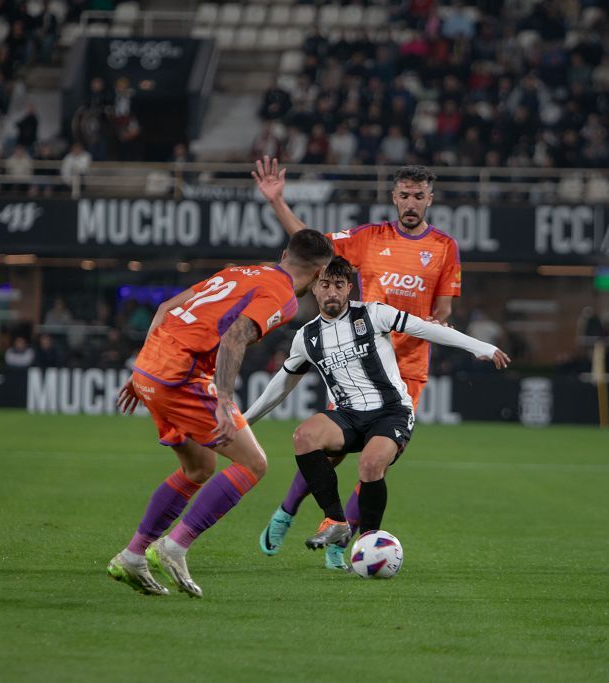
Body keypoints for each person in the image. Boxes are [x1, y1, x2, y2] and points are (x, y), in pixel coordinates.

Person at [253, 157, 462, 568]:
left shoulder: (444, 248)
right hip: (357, 363)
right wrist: (277, 202)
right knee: (329, 453)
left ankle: (338, 543)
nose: (411, 203)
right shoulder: (368, 238)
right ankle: (287, 511)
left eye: (419, 196)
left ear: (430, 199)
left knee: (375, 461)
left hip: (408, 370)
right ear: (393, 197)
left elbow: (443, 309)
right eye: (404, 195)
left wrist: (441, 320)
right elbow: (309, 245)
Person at [108, 229, 333, 598]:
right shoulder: (283, 296)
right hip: (182, 375)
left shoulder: (239, 272)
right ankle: (174, 546)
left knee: (198, 468)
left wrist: (142, 371)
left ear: (284, 252)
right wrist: (224, 399)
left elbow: (166, 309)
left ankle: (133, 556)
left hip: (149, 368)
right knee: (253, 463)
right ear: (321, 273)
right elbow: (234, 337)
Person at [242, 257, 509, 566]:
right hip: (348, 415)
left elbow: (426, 329)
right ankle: (335, 522)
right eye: (325, 285)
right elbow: (281, 385)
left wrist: (480, 347)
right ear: (315, 288)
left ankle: (368, 542)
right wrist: (244, 421)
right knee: (304, 436)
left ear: (348, 289)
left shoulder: (374, 314)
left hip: (391, 412)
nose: (332, 292)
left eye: (339, 286)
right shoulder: (307, 337)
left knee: (370, 465)